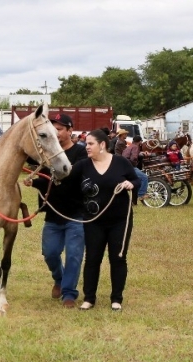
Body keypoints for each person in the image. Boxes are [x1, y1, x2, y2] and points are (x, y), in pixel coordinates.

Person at [70, 129, 140, 312]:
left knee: (118, 258)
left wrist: (130, 184)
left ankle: (116, 298)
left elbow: (136, 179)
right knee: (92, 258)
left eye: (91, 143)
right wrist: (39, 182)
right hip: (93, 221)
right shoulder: (83, 165)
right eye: (86, 143)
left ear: (102, 145)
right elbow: (65, 182)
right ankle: (89, 298)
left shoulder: (121, 163)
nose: (87, 147)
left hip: (120, 220)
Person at [23, 113, 87, 309]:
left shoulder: (80, 153)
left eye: (60, 129)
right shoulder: (47, 153)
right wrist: (33, 182)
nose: (57, 133)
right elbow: (45, 178)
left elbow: (72, 178)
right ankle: (59, 279)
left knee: (74, 255)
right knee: (50, 253)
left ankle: (69, 293)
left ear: (70, 130)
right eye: (54, 129)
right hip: (52, 214)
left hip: (75, 214)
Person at [119, 135, 149, 202]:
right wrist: (136, 162)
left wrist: (142, 153)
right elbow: (133, 158)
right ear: (140, 141)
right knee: (144, 177)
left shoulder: (130, 146)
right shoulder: (136, 147)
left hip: (124, 166)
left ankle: (134, 200)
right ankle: (141, 194)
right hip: (130, 166)